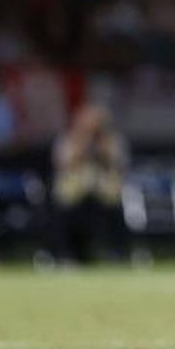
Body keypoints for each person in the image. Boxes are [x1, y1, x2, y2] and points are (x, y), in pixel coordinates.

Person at [49, 103, 130, 264]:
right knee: (61, 213)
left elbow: (119, 164)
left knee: (114, 212)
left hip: (105, 194)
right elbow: (62, 164)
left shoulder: (112, 139)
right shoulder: (68, 139)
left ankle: (116, 253)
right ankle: (65, 254)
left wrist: (101, 150)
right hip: (73, 194)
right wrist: (83, 146)